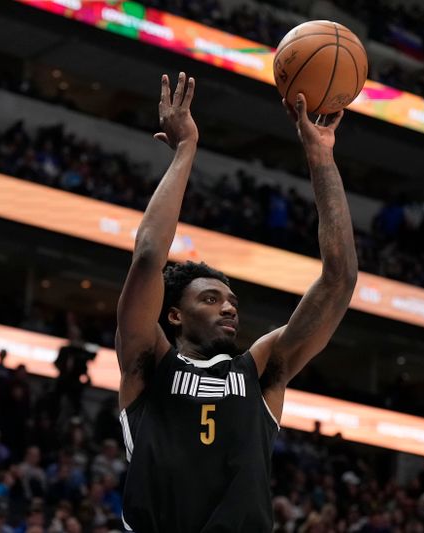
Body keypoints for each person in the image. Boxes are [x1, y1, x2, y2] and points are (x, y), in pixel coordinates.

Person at [115, 72, 357, 532]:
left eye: (232, 301)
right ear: (174, 314)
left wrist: (320, 156)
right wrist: (186, 149)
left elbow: (340, 279)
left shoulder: (261, 368)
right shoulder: (147, 364)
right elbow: (148, 256)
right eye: (210, 298)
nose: (229, 308)